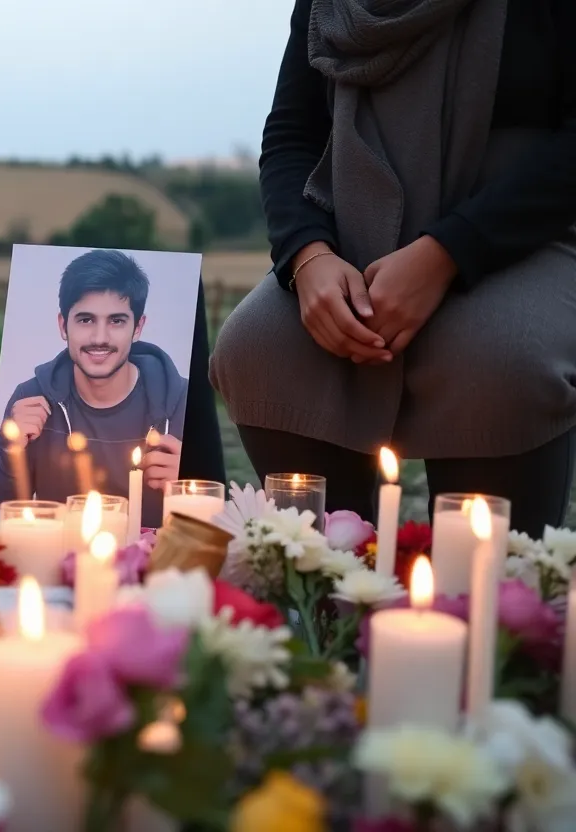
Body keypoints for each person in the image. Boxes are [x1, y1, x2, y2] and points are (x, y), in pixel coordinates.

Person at [210, 0, 576, 537]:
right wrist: (308, 257)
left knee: (499, 362)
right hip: (349, 240)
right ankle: (325, 592)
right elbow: (292, 133)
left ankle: (488, 602)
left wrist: (446, 253)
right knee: (260, 347)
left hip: (520, 235)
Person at [0, 249, 189, 529]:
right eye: (85, 319)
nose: (99, 338)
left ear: (138, 327)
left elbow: (218, 523)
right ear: (63, 325)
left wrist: (189, 484)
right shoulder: (30, 397)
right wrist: (11, 452)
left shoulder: (185, 404)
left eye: (116, 321)